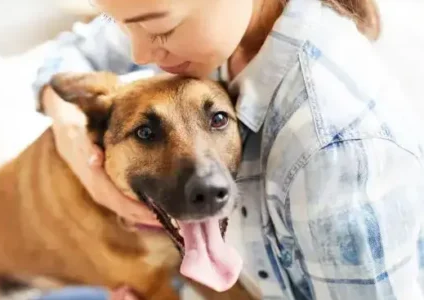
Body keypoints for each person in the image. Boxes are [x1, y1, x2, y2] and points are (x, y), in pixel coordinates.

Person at [32, 0, 424, 299]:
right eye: (120, 25)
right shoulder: (195, 20)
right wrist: (76, 143)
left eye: (159, 28)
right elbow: (61, 58)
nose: (139, 56)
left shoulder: (332, 149)